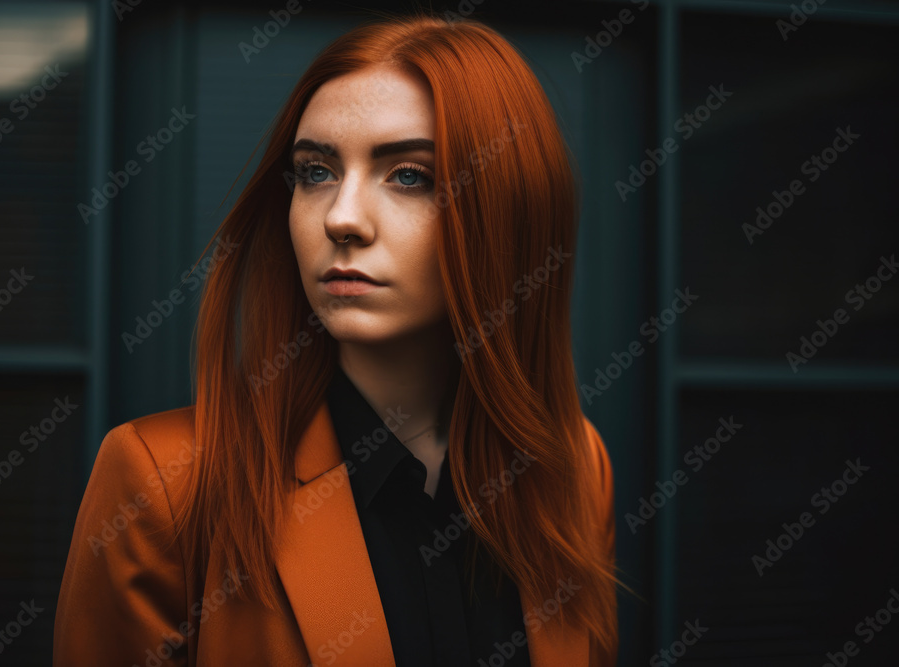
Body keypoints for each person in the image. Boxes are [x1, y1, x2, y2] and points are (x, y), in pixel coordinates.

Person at [53, 10, 618, 666]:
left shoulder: (575, 467)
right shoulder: (165, 484)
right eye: (316, 171)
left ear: (508, 210)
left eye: (409, 175)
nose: (342, 218)